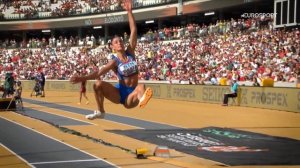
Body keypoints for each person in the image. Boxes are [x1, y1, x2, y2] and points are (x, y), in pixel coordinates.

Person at [70, 0, 153, 119]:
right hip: (120, 93)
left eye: (120, 41)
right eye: (116, 42)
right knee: (97, 85)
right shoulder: (114, 62)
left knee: (142, 86)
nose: (119, 43)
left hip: (132, 95)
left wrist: (129, 11)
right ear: (112, 47)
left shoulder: (130, 52)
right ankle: (101, 112)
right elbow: (99, 72)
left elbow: (133, 30)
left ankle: (141, 99)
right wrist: (82, 78)